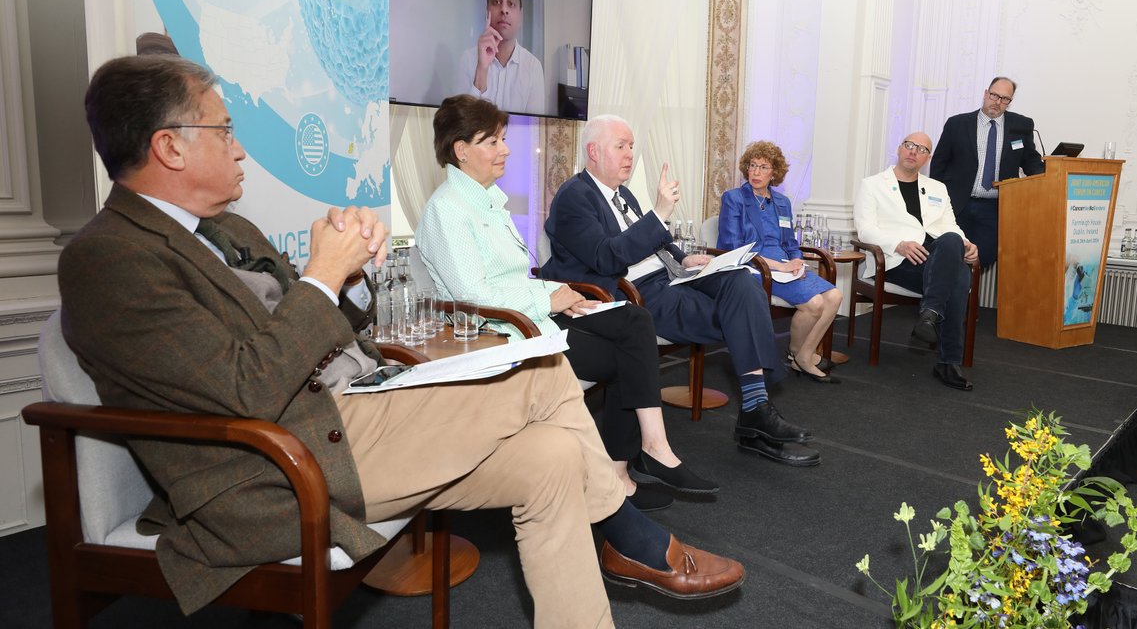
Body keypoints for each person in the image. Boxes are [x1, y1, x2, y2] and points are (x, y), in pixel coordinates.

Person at [59, 55, 744, 626]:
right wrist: (323, 278)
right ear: (169, 145)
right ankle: (631, 536)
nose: (239, 146)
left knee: (556, 455)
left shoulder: (229, 230)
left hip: (351, 411)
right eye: (225, 129)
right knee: (539, 369)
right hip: (280, 463)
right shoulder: (108, 259)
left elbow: (336, 328)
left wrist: (350, 277)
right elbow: (246, 389)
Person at [416, 95, 718, 512]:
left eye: (503, 139)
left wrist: (556, 294)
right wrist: (549, 297)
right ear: (461, 150)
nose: (505, 149)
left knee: (633, 321)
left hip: (531, 315)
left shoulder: (487, 200)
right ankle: (623, 473)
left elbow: (515, 279)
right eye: (493, 141)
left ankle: (646, 451)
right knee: (630, 355)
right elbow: (474, 297)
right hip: (504, 334)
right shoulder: (447, 211)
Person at [541, 114, 820, 468]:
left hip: (670, 274)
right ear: (593, 151)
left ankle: (755, 406)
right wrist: (659, 213)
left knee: (742, 279)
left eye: (631, 146)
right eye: (620, 146)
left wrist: (685, 258)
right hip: (636, 292)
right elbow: (605, 258)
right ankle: (756, 414)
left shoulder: (621, 193)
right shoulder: (574, 198)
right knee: (735, 315)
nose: (629, 153)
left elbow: (654, 241)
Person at [854, 132, 979, 391]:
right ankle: (947, 361)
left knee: (953, 241)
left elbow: (950, 226)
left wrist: (968, 244)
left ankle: (929, 313)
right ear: (900, 149)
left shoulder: (937, 188)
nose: (913, 151)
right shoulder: (872, 184)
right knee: (959, 277)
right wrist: (898, 244)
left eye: (921, 149)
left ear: (927, 158)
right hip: (895, 258)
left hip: (934, 254)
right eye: (909, 145)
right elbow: (865, 230)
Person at [717, 141, 844, 384]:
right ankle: (798, 355)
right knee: (815, 303)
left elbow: (790, 242)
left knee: (835, 296)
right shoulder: (734, 199)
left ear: (774, 173)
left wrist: (796, 260)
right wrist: (780, 266)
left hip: (783, 265)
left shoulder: (782, 203)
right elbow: (732, 248)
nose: (756, 172)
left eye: (763, 167)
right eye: (752, 166)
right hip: (754, 267)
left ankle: (803, 355)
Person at [929, 76, 1044, 269]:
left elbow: (1030, 161)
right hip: (957, 206)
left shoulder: (1021, 126)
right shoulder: (957, 124)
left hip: (995, 208)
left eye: (1005, 99)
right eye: (994, 95)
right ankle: (957, 298)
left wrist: (1048, 176)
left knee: (982, 258)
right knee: (953, 258)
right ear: (985, 94)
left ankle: (962, 296)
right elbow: (939, 166)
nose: (997, 102)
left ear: (1010, 102)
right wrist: (936, 203)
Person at [460, 0, 546, 115]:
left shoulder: (533, 67)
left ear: (520, 15)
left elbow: (533, 129)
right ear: (487, 11)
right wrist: (482, 69)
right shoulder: (468, 59)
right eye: (496, 2)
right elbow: (460, 124)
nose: (504, 9)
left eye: (511, 4)